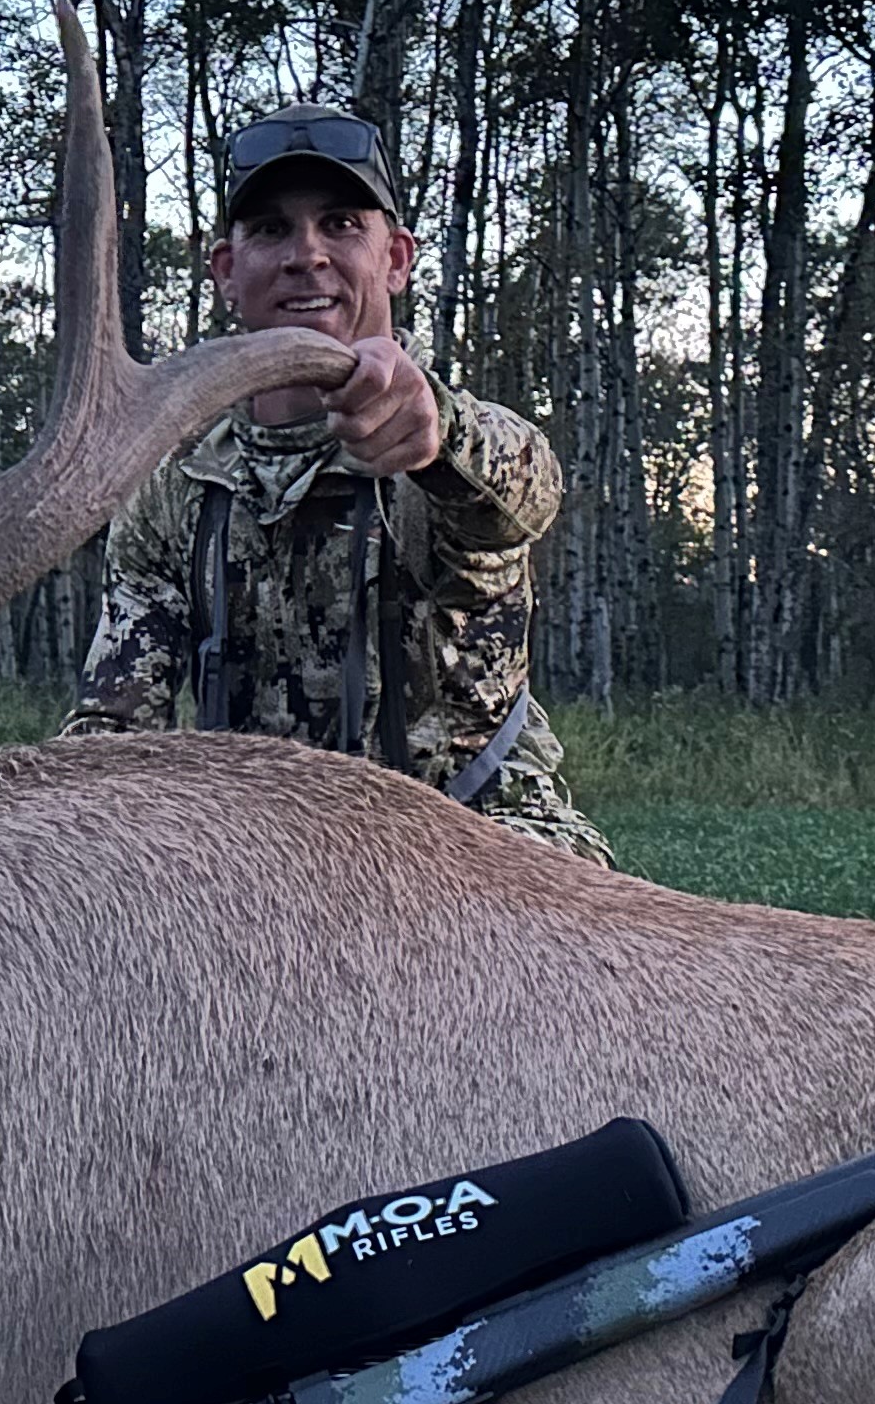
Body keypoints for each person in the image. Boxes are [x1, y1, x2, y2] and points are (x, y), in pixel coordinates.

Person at [59, 102, 610, 864]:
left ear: (397, 259)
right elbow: (113, 732)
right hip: (266, 860)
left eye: (342, 224)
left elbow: (521, 501)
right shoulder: (173, 487)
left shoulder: (452, 451)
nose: (306, 255)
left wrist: (435, 431)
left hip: (479, 852)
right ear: (226, 269)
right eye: (270, 230)